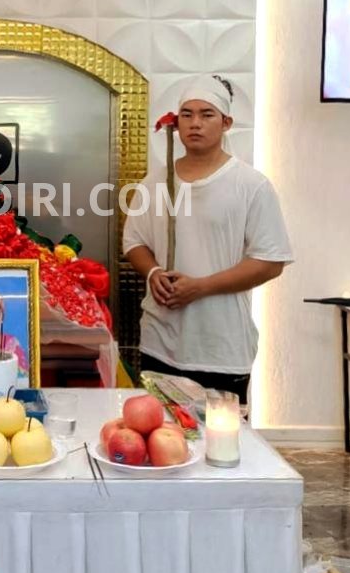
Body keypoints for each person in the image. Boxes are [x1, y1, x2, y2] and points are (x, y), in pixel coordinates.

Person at [122, 75, 292, 405]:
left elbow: (270, 262)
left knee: (220, 435)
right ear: (176, 123)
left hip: (220, 347)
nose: (195, 123)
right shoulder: (155, 182)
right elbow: (134, 242)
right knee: (160, 430)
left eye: (206, 114)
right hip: (160, 342)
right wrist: (153, 272)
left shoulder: (251, 185)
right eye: (187, 114)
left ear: (226, 123)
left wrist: (200, 286)